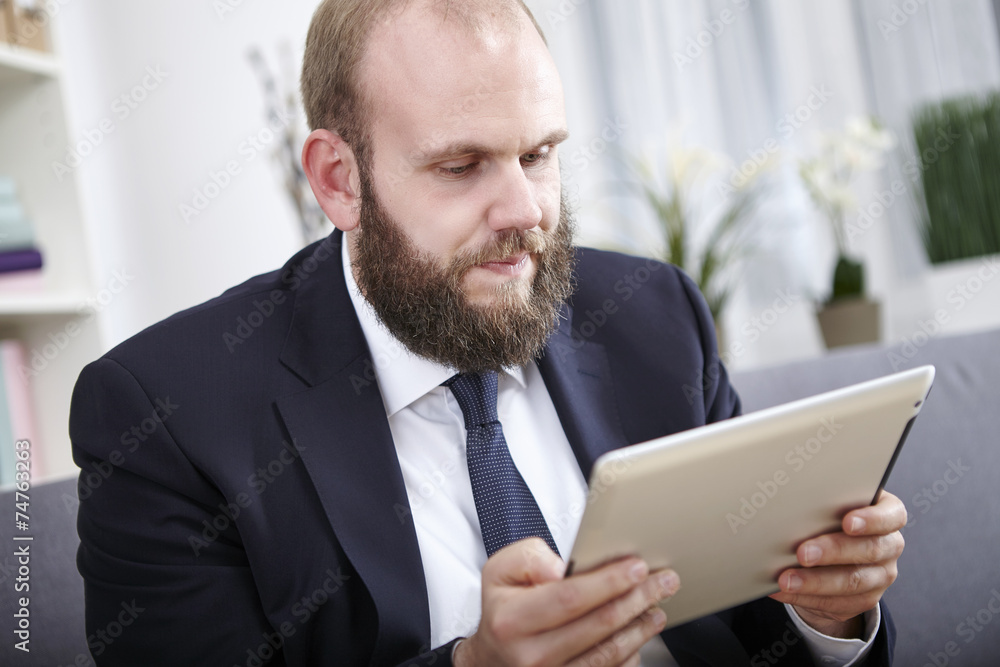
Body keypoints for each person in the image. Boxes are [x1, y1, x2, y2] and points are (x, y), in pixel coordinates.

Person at [69, 1, 906, 665]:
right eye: (461, 166)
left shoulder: (653, 316)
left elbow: (758, 629)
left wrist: (828, 615)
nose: (525, 213)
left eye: (539, 155)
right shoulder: (168, 415)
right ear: (338, 180)